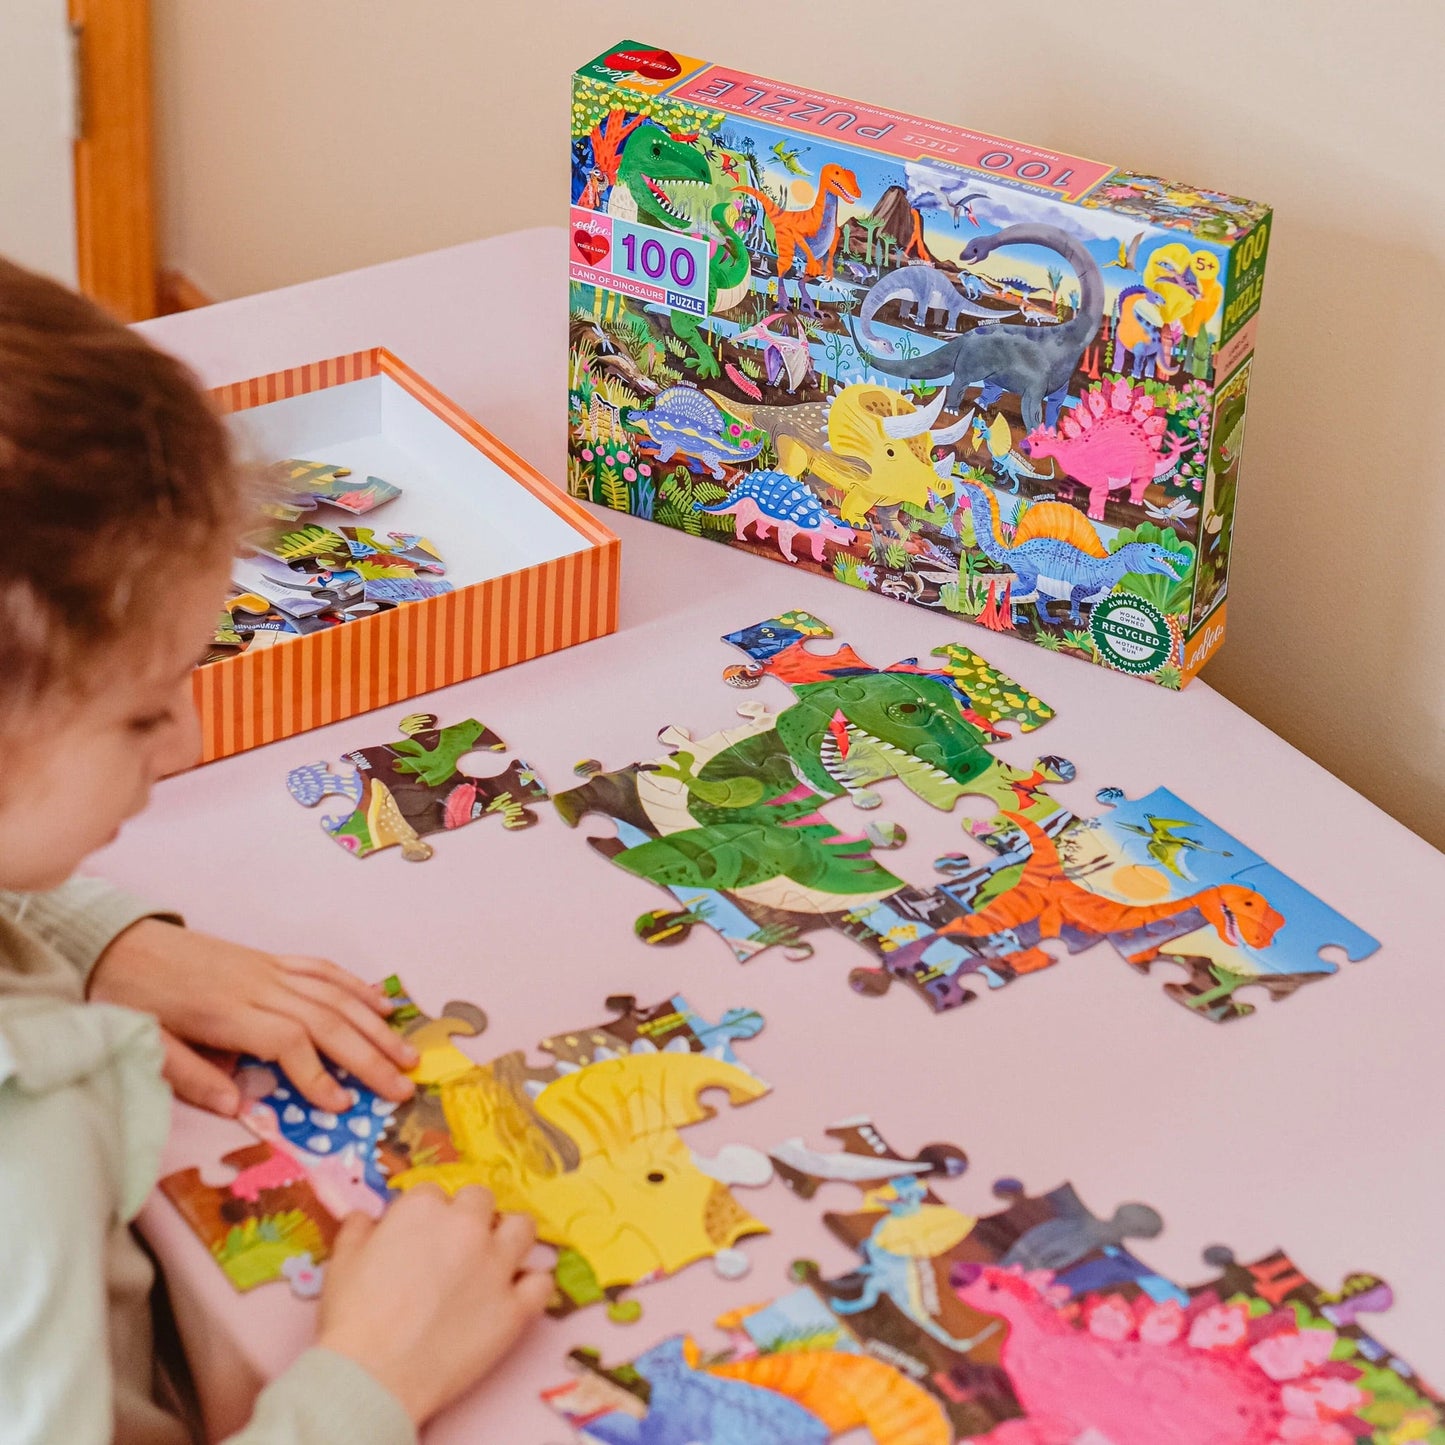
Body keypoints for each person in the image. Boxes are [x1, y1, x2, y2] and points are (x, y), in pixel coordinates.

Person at [0, 257, 553, 1445]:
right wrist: (369, 1378)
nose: (191, 739)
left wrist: (91, 937)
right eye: (145, 709)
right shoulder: (24, 1160)